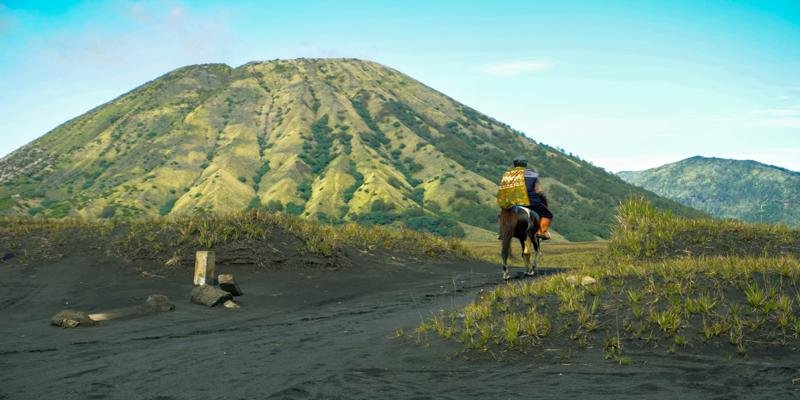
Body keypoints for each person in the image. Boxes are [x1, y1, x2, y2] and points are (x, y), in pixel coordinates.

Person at [512, 156, 553, 240]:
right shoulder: (533, 176)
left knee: (503, 214)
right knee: (548, 214)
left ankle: (502, 232)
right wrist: (544, 202)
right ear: (525, 164)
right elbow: (540, 192)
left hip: (515, 202)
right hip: (532, 203)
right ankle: (541, 232)